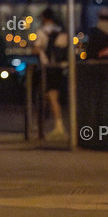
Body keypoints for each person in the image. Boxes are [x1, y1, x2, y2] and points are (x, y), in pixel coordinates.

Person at [33, 8, 68, 141]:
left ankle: (56, 126)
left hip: (46, 67)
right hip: (58, 67)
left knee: (49, 96)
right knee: (52, 95)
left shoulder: (42, 31)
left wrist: (36, 49)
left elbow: (36, 49)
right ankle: (52, 124)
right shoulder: (62, 31)